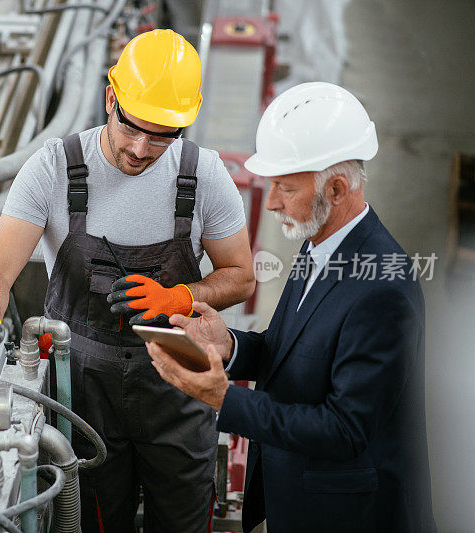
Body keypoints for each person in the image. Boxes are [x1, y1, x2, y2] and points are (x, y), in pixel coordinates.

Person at [0, 29, 255, 532]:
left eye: (163, 135)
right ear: (109, 99)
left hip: (178, 389)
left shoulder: (203, 176)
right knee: (93, 516)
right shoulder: (54, 169)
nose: (142, 149)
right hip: (83, 394)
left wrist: (183, 295)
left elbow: (241, 277)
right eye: (132, 127)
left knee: (184, 519)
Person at [147, 82, 436, 533]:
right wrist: (229, 346)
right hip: (302, 501)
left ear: (336, 189)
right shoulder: (320, 242)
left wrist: (225, 399)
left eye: (285, 187)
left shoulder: (384, 290)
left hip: (349, 516)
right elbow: (292, 353)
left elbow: (344, 431)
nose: (274, 201)